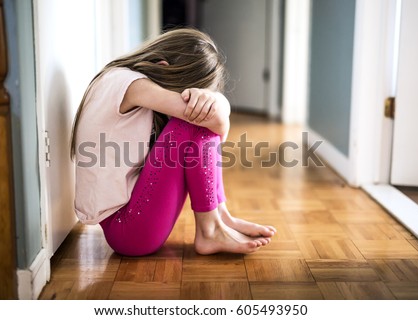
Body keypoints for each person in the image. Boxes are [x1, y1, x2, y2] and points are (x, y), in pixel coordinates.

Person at [70, 28, 276, 257]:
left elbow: (214, 117)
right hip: (128, 230)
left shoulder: (118, 78)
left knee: (197, 121)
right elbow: (213, 122)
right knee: (194, 124)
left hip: (130, 224)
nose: (188, 98)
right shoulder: (133, 85)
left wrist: (216, 101)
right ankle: (211, 230)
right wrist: (219, 111)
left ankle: (221, 218)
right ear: (164, 67)